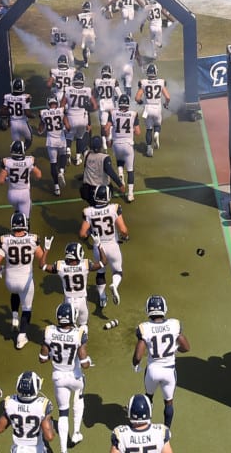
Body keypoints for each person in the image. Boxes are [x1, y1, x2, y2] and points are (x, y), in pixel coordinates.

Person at [36, 302, 89, 447]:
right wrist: (87, 360)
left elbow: (42, 359)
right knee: (79, 394)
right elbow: (85, 363)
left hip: (59, 377)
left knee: (63, 413)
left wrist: (53, 354)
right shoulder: (79, 334)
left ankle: (63, 450)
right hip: (75, 376)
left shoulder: (49, 331)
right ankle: (77, 432)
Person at [134, 294, 190, 429]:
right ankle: (167, 430)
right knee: (169, 402)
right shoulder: (174, 324)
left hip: (153, 370)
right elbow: (186, 347)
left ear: (148, 310)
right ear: (164, 309)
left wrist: (135, 363)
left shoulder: (144, 327)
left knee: (148, 398)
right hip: (169, 370)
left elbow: (138, 356)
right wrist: (175, 349)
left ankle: (146, 426)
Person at [0, 211, 46, 349]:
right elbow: (41, 257)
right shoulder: (33, 239)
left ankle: (15, 317)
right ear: (24, 225)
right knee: (27, 309)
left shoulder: (4, 240)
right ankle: (21, 337)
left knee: (15, 292)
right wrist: (46, 249)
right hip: (26, 281)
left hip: (10, 281)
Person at [80, 183, 128, 316]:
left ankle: (102, 298)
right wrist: (126, 236)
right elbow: (123, 230)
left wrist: (91, 233)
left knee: (100, 272)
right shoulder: (114, 208)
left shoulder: (88, 211)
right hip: (112, 245)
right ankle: (114, 285)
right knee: (117, 271)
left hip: (98, 246)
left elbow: (82, 233)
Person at [0, 370, 55, 453]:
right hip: (36, 450)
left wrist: (12, 416)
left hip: (18, 450)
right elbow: (49, 437)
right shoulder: (43, 405)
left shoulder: (10, 402)